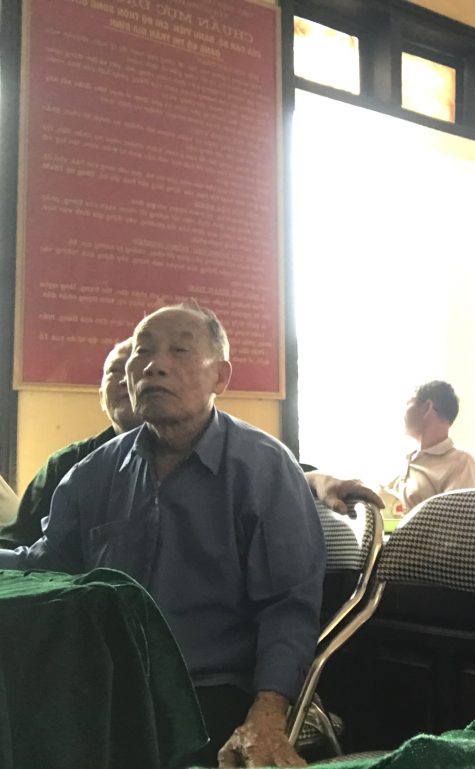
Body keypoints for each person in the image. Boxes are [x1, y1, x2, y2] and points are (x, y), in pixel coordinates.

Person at [0, 303, 325, 768]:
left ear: (221, 377)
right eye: (143, 351)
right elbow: (47, 568)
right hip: (107, 690)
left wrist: (267, 713)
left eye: (180, 351)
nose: (155, 365)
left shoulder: (264, 469)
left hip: (210, 693)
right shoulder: (92, 474)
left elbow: (288, 607)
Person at [0, 338, 143, 549]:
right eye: (115, 371)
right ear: (101, 398)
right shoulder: (67, 464)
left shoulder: (189, 461)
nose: (124, 381)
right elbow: (18, 543)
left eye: (135, 369)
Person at [389, 380, 475, 511]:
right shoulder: (401, 459)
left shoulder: (461, 463)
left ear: (427, 407)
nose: (403, 413)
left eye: (408, 404)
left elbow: (458, 519)